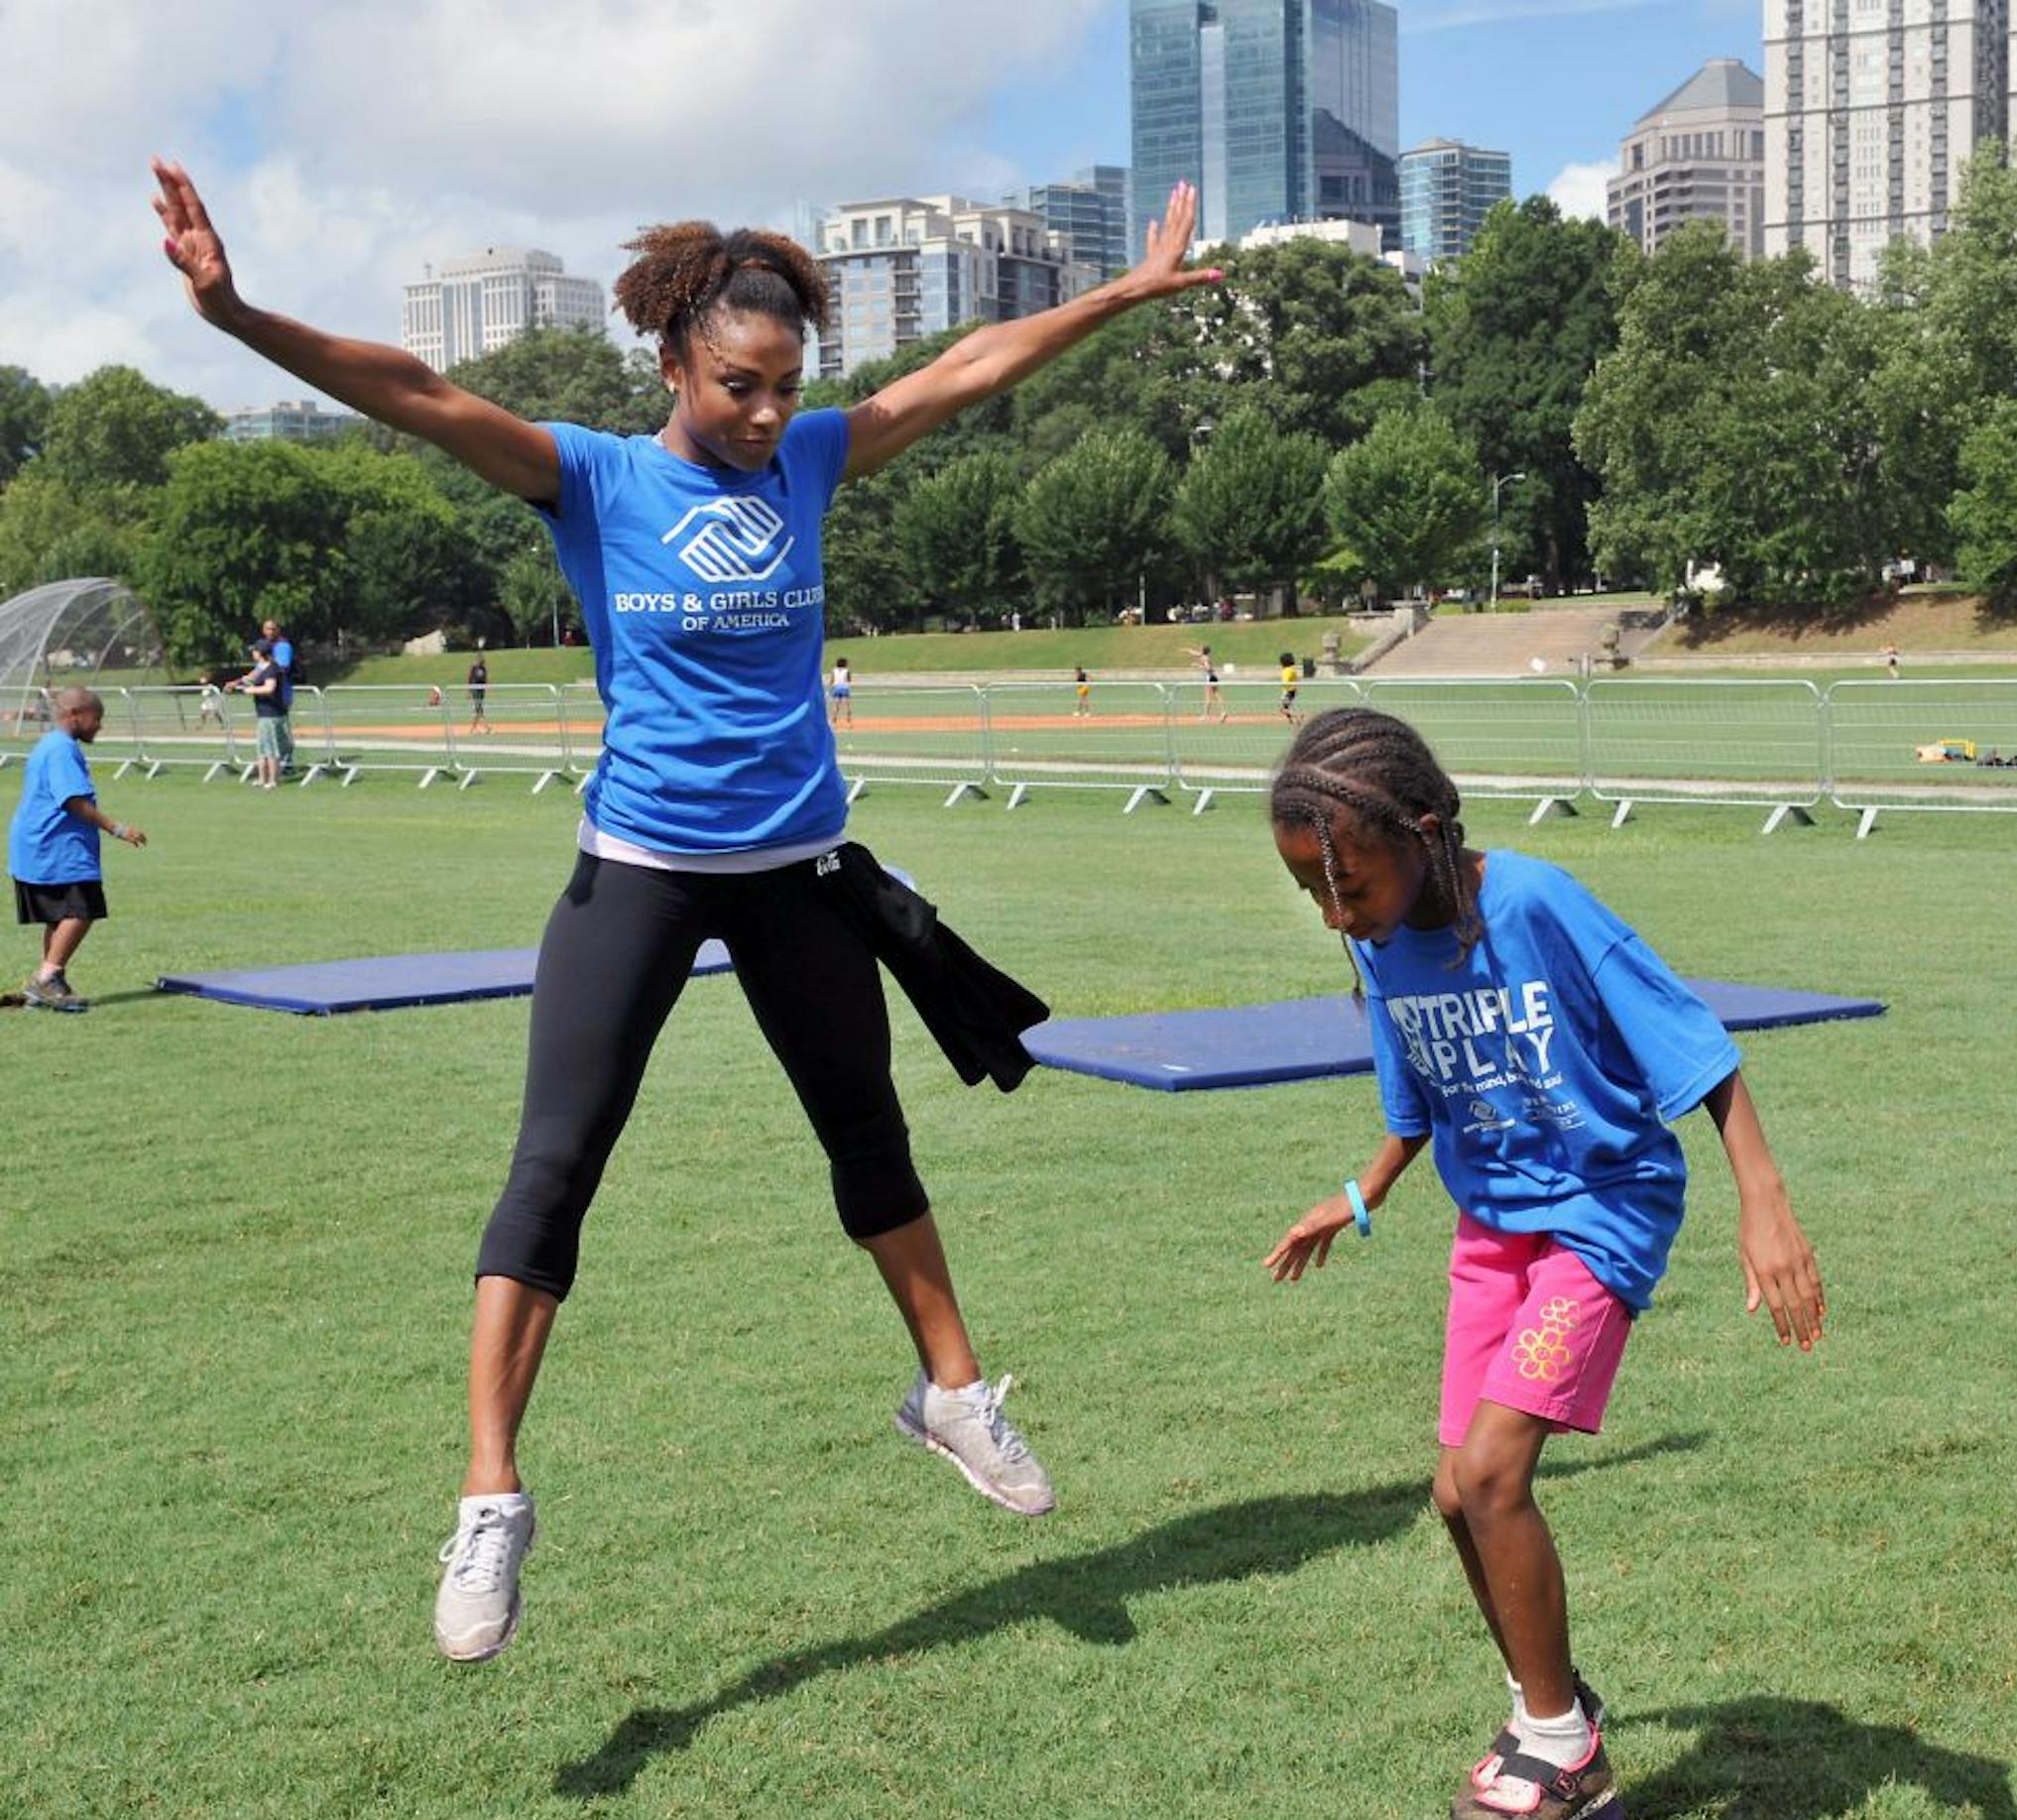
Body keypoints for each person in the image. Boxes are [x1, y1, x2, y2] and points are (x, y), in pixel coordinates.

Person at [155, 157, 1223, 1664]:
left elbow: (969, 368)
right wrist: (238, 313)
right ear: (671, 362)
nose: (769, 415)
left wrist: (1118, 293)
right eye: (739, 386)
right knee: (554, 1165)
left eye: (787, 386)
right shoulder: (592, 477)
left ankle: (953, 1396)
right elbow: (405, 388)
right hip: (641, 870)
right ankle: (489, 1499)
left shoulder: (811, 461)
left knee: (871, 1132)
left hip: (799, 872)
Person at [1261, 706, 1824, 1820]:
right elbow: (1418, 1096)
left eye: (1350, 887)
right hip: (1494, 1227)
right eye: (1317, 895)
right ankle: (1545, 1704)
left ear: (1423, 830)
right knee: (1455, 1492)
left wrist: (1762, 1201)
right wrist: (1359, 1194)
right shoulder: (1379, 944)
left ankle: (1562, 1741)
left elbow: (1693, 1043)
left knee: (1494, 1468)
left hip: (1603, 1211)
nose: (1338, 916)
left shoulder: (1536, 901)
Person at [9, 688, 149, 1011]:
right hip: (56, 848)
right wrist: (118, 829)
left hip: (38, 846)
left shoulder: (50, 744)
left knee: (59, 919)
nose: (99, 726)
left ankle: (48, 983)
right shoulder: (61, 749)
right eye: (96, 718)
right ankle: (47, 978)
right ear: (76, 714)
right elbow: (73, 800)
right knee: (83, 910)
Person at [228, 618, 294, 787]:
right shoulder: (262, 666)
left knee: (273, 746)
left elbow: (272, 682)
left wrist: (251, 689)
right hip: (263, 711)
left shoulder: (276, 660)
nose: (270, 632)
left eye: (273, 628)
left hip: (274, 708)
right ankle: (263, 778)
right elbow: (253, 675)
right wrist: (237, 683)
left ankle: (275, 777)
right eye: (267, 628)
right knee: (263, 746)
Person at [1184, 642, 1227, 723]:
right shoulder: (1204, 656)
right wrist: (1187, 650)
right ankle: (1223, 712)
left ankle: (1206, 716)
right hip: (1213, 676)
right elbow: (1196, 654)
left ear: (1203, 650)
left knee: (1208, 697)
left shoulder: (1204, 658)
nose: (1199, 648)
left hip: (1210, 677)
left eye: (1201, 648)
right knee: (1217, 695)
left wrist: (1197, 666)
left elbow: (1208, 668)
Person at [467, 643, 491, 732]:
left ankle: (475, 728)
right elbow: (469, 678)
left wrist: (486, 686)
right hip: (475, 689)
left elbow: (485, 678)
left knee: (480, 709)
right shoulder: (474, 667)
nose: (483, 662)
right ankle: (484, 727)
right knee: (479, 709)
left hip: (481, 690)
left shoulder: (483, 668)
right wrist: (469, 691)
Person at [828, 655, 854, 728]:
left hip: (836, 688)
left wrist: (830, 689)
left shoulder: (834, 670)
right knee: (847, 706)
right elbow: (849, 680)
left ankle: (833, 723)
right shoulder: (847, 670)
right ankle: (849, 723)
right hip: (844, 688)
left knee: (836, 706)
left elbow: (831, 680)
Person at [1277, 650, 1300, 726]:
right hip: (1292, 691)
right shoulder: (1292, 669)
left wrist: (1284, 686)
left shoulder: (1287, 671)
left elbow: (1285, 681)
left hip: (1288, 691)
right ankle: (1292, 721)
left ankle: (1297, 717)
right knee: (1286, 707)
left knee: (1283, 709)